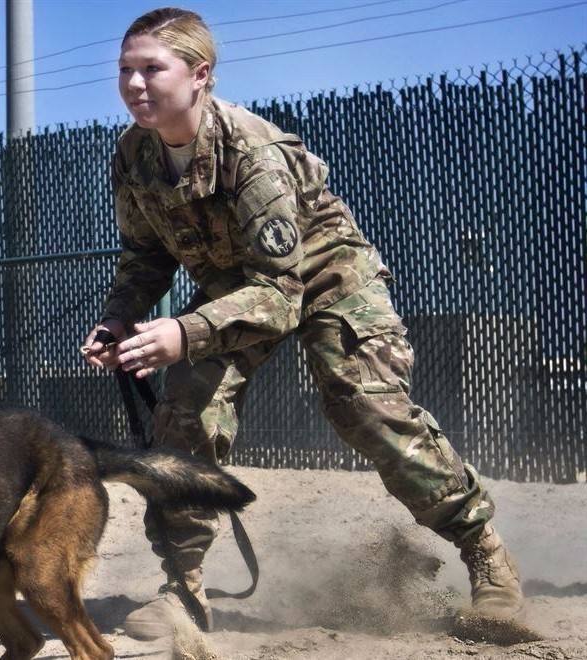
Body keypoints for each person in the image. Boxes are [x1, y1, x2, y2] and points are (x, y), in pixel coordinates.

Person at [81, 7, 526, 642]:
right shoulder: (133, 156)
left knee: (363, 405)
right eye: (126, 70)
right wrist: (117, 321)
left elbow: (282, 291)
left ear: (200, 74)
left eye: (152, 69)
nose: (134, 84)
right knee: (186, 414)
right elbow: (147, 254)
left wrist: (184, 332)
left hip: (324, 280)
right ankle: (183, 588)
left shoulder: (252, 150)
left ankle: (485, 552)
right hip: (236, 292)